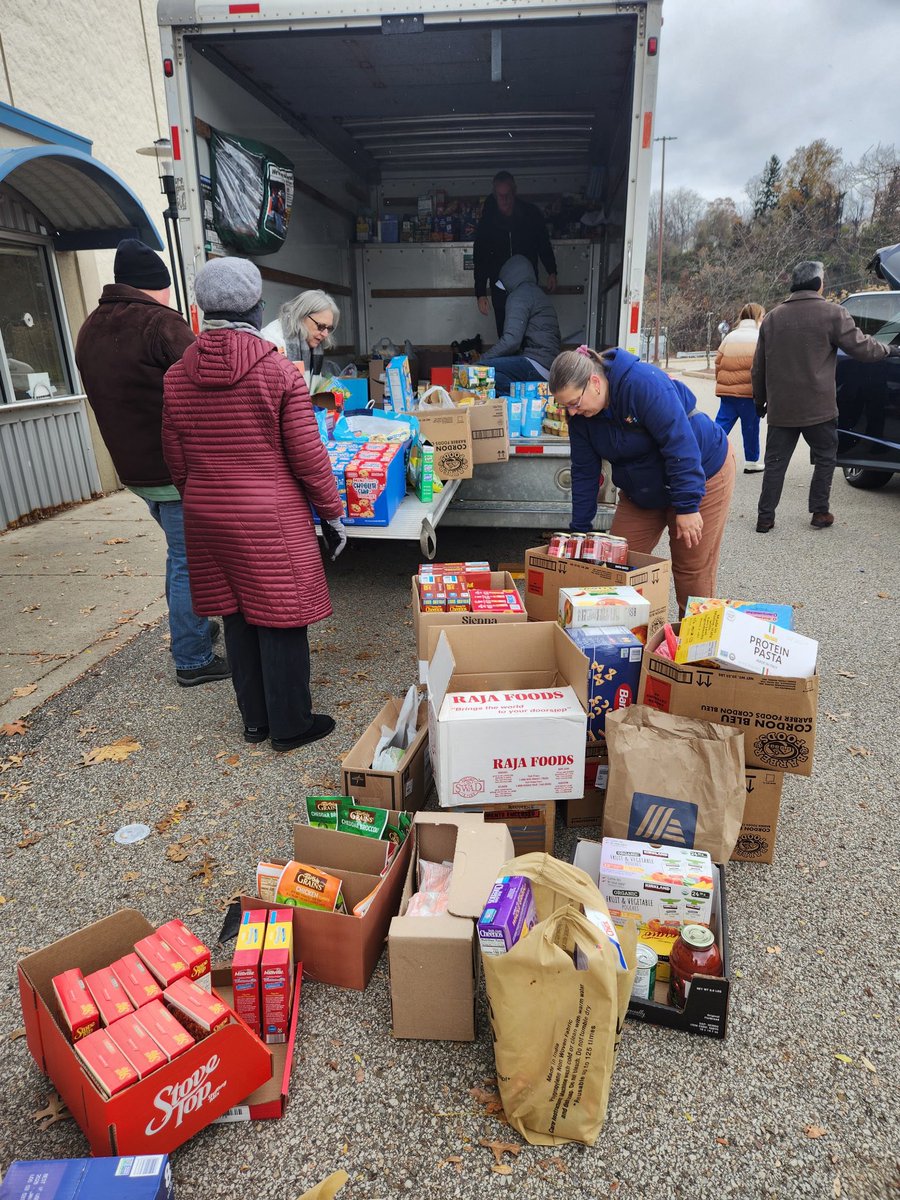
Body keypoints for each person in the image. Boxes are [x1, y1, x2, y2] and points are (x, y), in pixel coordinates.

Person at [162, 258, 347, 751]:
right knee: (282, 616)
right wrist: (332, 512)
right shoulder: (276, 371)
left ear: (203, 309)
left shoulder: (177, 376)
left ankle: (255, 721)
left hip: (207, 514)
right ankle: (291, 725)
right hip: (271, 515)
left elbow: (175, 461)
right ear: (257, 305)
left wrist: (205, 496)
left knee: (237, 614)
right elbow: (308, 458)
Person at [75, 238, 228, 688]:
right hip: (174, 468)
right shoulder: (162, 323)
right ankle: (193, 658)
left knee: (179, 556)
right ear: (155, 287)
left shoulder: (90, 327)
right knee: (189, 562)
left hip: (136, 470)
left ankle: (194, 627)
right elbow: (209, 383)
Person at [549, 346, 735, 616]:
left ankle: (693, 648)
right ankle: (621, 639)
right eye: (565, 406)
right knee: (617, 561)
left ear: (595, 383)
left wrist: (687, 507)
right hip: (643, 488)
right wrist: (581, 530)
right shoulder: (580, 417)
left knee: (691, 567)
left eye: (574, 403)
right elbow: (584, 472)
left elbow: (680, 443)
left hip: (700, 472)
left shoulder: (643, 383)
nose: (572, 412)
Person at [752, 260, 899, 533]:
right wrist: (889, 351)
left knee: (775, 463)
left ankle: (765, 518)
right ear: (819, 284)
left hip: (782, 408)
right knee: (825, 457)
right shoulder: (832, 313)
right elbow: (863, 348)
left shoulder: (772, 318)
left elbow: (758, 366)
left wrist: (759, 401)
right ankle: (820, 512)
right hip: (818, 407)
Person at [473, 171, 558, 336]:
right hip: (500, 286)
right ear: (495, 194)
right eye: (500, 196)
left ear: (515, 192)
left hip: (527, 285)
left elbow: (543, 244)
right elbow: (480, 258)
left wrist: (552, 271)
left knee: (529, 333)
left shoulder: (531, 214)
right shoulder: (487, 220)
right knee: (506, 333)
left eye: (508, 195)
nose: (504, 200)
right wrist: (480, 293)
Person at [479, 256, 561, 395]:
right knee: (496, 374)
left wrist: (481, 360)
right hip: (549, 367)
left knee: (479, 372)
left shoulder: (519, 295)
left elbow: (512, 341)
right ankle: (519, 401)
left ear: (509, 278)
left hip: (536, 364)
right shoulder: (537, 293)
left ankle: (514, 402)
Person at [714, 303, 765, 473]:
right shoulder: (759, 337)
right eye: (763, 316)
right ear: (758, 318)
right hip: (748, 393)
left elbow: (718, 363)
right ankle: (751, 462)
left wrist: (723, 384)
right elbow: (762, 366)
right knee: (750, 428)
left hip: (727, 392)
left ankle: (703, 453)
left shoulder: (730, 337)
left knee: (720, 426)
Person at [260, 289, 340, 390]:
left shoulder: (312, 344)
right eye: (320, 326)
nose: (325, 334)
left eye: (329, 328)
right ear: (302, 315)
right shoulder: (272, 341)